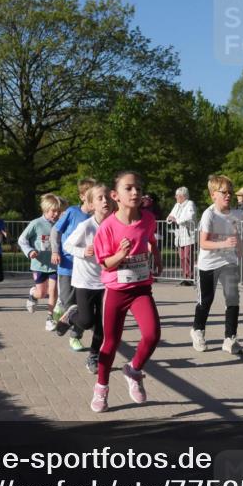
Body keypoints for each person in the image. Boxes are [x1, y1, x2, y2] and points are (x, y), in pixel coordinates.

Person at [89, 170, 163, 412]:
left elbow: (151, 238)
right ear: (115, 195)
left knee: (152, 335)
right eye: (129, 188)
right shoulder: (108, 227)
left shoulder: (148, 218)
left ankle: (133, 370)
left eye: (138, 188)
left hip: (141, 288)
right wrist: (121, 254)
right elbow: (104, 263)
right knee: (110, 342)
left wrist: (158, 256)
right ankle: (101, 388)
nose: (135, 192)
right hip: (117, 290)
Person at [59, 183, 112, 373]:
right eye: (100, 198)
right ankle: (72, 315)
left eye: (107, 196)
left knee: (102, 323)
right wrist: (82, 251)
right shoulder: (86, 226)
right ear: (91, 204)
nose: (105, 200)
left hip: (106, 282)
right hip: (85, 280)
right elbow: (67, 246)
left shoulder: (114, 224)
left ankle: (93, 356)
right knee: (87, 321)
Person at [190, 174, 243, 357]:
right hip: (209, 263)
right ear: (213, 194)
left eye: (230, 192)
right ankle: (198, 330)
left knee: (233, 300)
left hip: (228, 262)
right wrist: (224, 243)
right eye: (224, 192)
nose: (228, 195)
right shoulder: (209, 214)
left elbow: (237, 237)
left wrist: (240, 247)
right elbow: (203, 243)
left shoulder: (234, 215)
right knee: (206, 300)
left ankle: (230, 339)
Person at [50, 179, 96, 323]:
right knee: (68, 302)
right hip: (67, 264)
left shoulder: (98, 217)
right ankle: (60, 308)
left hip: (85, 267)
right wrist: (55, 251)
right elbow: (55, 231)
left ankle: (75, 336)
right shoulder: (72, 212)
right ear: (82, 196)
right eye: (91, 195)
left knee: (82, 305)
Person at [19, 193, 63, 331]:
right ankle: (33, 294)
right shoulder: (36, 223)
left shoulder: (60, 224)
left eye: (58, 211)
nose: (56, 214)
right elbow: (22, 240)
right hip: (39, 264)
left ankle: (50, 318)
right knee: (42, 293)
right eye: (53, 211)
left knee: (53, 290)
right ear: (45, 209)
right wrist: (30, 251)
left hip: (55, 264)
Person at [166, 187, 197, 285]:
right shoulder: (177, 205)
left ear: (183, 196)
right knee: (182, 257)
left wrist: (177, 220)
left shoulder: (190, 204)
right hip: (179, 235)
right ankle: (185, 276)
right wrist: (171, 219)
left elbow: (190, 217)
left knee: (188, 256)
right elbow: (169, 217)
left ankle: (190, 278)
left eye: (177, 195)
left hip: (188, 234)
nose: (175, 197)